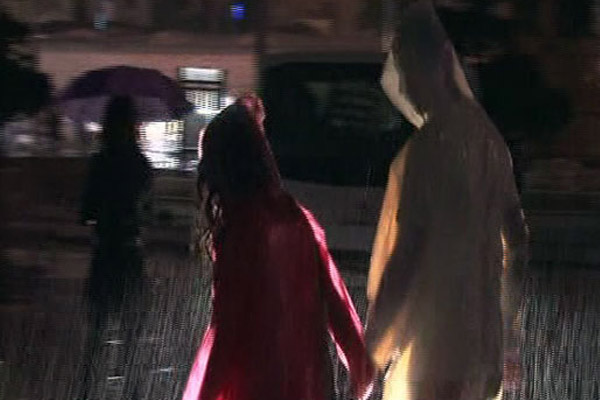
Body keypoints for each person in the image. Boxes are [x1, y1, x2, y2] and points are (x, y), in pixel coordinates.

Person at [365, 2, 529, 400]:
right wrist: (508, 333)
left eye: (409, 70)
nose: (406, 87)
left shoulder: (428, 148)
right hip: (483, 350)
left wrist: (371, 345)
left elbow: (407, 256)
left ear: (441, 62)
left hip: (434, 350)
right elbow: (518, 242)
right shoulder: (491, 142)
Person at [182, 94, 374, 400]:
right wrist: (359, 362)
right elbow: (334, 296)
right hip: (307, 380)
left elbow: (226, 328)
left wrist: (204, 393)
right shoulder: (297, 218)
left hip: (254, 383)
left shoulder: (241, 229)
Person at [79, 95, 153, 399]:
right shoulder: (141, 164)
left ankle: (87, 390)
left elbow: (86, 213)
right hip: (131, 254)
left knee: (96, 332)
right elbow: (147, 210)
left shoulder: (100, 162)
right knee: (131, 333)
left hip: (104, 254)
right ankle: (133, 392)